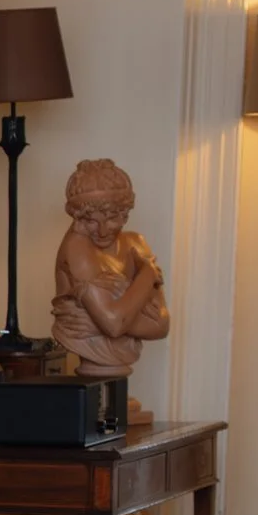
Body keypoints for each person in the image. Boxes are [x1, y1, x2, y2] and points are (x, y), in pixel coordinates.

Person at [52, 157, 169, 380]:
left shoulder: (135, 243)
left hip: (115, 362)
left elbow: (161, 326)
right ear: (77, 218)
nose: (103, 230)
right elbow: (115, 325)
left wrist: (100, 322)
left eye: (113, 218)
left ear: (125, 213)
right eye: (91, 221)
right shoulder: (76, 249)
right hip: (94, 361)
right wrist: (148, 275)